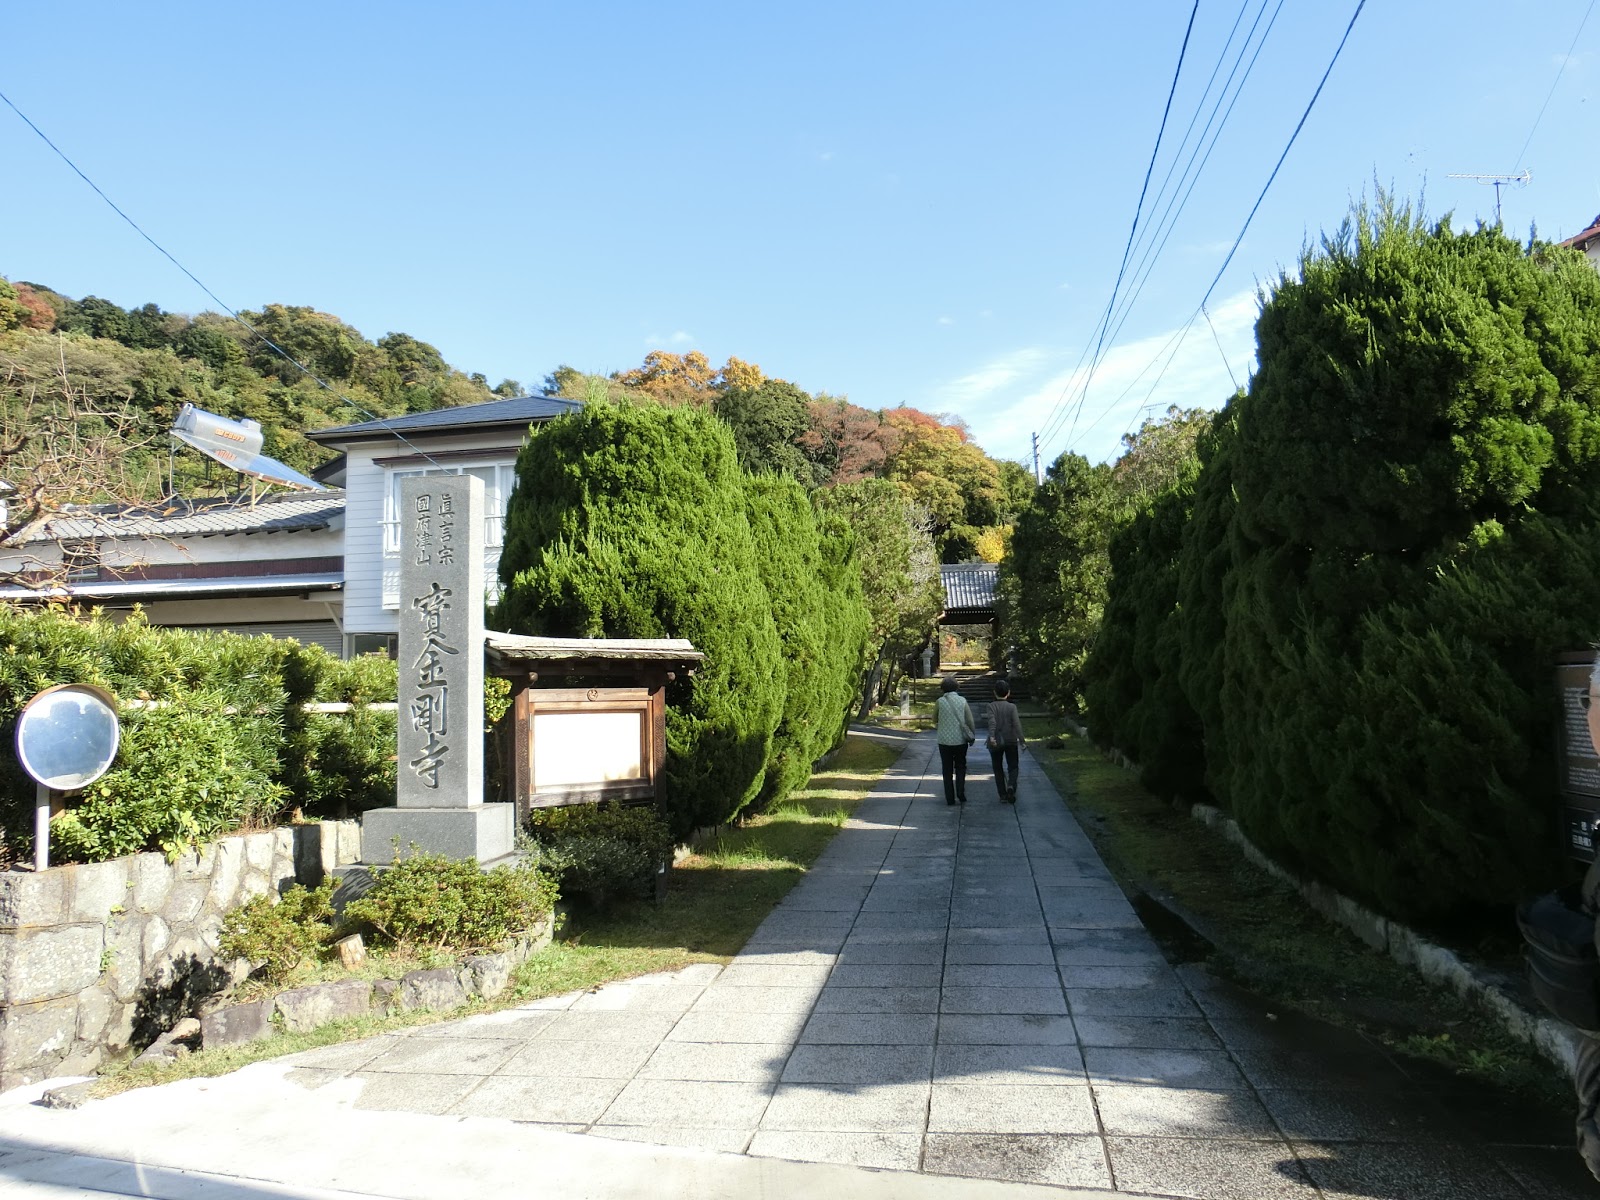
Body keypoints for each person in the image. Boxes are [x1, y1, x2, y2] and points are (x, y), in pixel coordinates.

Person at [934, 675, 975, 805]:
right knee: (961, 766)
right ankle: (961, 793)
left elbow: (934, 719)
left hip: (944, 741)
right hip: (960, 740)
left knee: (947, 769)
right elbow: (969, 720)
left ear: (943, 688)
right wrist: (972, 734)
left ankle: (949, 798)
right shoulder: (962, 701)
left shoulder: (939, 702)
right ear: (956, 687)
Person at [986, 678, 1024, 803]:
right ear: (1008, 693)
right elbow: (1017, 724)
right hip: (1011, 740)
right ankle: (1011, 785)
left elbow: (992, 722)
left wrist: (991, 736)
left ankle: (1002, 794)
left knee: (997, 768)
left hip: (996, 740)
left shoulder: (991, 706)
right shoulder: (1012, 707)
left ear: (994, 692)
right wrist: (1022, 740)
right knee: (1013, 766)